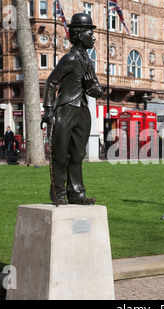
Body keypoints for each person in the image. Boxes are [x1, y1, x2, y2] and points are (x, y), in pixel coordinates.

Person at [42, 13, 103, 205]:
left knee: (77, 154)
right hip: (66, 110)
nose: (93, 37)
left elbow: (97, 91)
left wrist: (92, 86)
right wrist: (49, 109)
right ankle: (58, 193)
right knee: (60, 154)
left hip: (82, 111)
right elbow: (51, 82)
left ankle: (76, 193)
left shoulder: (88, 61)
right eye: (89, 32)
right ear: (78, 35)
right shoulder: (69, 59)